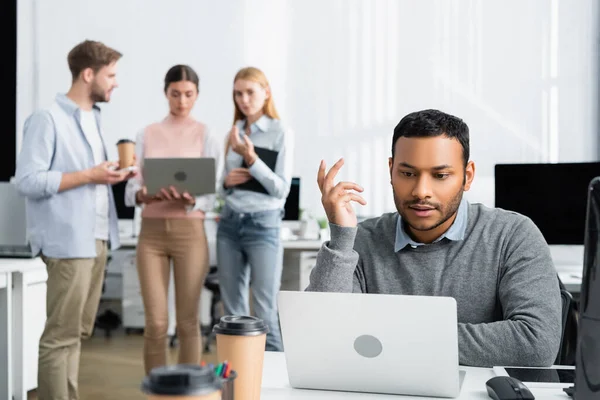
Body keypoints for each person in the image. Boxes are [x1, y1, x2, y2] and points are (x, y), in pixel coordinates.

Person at [307, 109, 562, 368]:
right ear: (391, 170)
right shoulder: (361, 241)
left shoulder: (512, 235)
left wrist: (393, 336)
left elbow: (536, 343)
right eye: (407, 173)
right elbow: (317, 338)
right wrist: (341, 237)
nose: (421, 192)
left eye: (440, 176)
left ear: (468, 176)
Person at [14, 40, 132, 400]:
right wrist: (90, 175)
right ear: (88, 74)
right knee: (59, 337)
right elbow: (28, 181)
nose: (115, 83)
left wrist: (113, 174)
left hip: (96, 239)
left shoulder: (94, 119)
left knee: (77, 333)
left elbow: (89, 176)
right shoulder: (46, 119)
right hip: (67, 242)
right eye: (110, 75)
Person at [124, 64, 221, 375]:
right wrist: (142, 195)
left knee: (188, 321)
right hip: (151, 235)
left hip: (190, 233)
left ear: (197, 95)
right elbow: (131, 186)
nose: (182, 101)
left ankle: (187, 393)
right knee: (156, 323)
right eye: (175, 94)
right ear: (166, 93)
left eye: (188, 94)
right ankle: (157, 392)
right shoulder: (146, 134)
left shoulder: (207, 135)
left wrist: (191, 199)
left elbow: (212, 191)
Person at [217, 67, 293, 351]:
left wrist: (251, 159)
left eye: (250, 92)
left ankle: (273, 387)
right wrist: (226, 182)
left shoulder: (280, 132)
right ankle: (238, 378)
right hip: (229, 223)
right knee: (231, 310)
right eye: (238, 93)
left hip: (264, 224)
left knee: (265, 309)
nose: (244, 99)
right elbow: (222, 187)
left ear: (266, 93)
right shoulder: (233, 133)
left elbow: (281, 189)